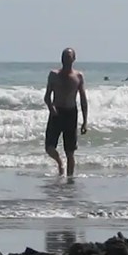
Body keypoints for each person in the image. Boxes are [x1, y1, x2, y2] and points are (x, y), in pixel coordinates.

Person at [43, 47, 88, 177]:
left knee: (70, 152)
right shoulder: (54, 75)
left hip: (71, 114)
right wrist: (52, 109)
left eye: (69, 57)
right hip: (56, 113)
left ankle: (70, 180)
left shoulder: (78, 76)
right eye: (64, 57)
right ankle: (59, 163)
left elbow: (83, 100)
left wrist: (85, 122)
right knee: (49, 148)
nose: (66, 60)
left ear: (74, 59)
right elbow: (47, 97)